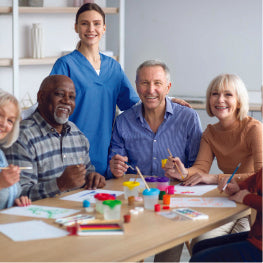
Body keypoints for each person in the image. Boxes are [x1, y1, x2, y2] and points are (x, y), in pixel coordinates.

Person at [49, 3, 189, 178]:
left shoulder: (113, 68)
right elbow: (48, 106)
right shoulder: (65, 65)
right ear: (76, 27)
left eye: (97, 23)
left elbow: (135, 102)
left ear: (104, 28)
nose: (91, 29)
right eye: (84, 23)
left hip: (103, 155)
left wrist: (168, 99)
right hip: (71, 153)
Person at [107, 60, 202, 262]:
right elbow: (116, 164)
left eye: (157, 83)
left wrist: (185, 172)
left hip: (173, 200)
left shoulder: (188, 118)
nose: (151, 90)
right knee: (123, 251)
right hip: (135, 200)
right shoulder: (123, 121)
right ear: (136, 86)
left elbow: (199, 167)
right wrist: (115, 167)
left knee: (169, 245)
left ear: (168, 87)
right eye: (144, 83)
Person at [164, 73, 262, 248]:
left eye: (228, 94)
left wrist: (215, 178)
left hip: (251, 208)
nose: (220, 99)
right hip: (227, 202)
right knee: (201, 243)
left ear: (239, 101)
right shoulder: (210, 133)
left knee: (229, 250)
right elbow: (201, 168)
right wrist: (183, 172)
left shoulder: (254, 129)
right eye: (215, 94)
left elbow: (259, 176)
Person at [4, 75, 106, 201]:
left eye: (72, 97)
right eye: (59, 94)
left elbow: (88, 171)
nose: (67, 101)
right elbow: (18, 194)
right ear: (41, 97)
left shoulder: (76, 133)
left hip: (76, 212)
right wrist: (59, 184)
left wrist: (93, 178)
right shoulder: (22, 137)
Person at [190, 167, 262, 262]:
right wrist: (238, 187)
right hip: (256, 236)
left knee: (199, 260)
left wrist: (247, 197)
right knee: (199, 247)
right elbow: (255, 180)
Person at [0, 89, 31, 209]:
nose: (4, 124)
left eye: (10, 121)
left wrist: (16, 202)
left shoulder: (1, 155)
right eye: (0, 115)